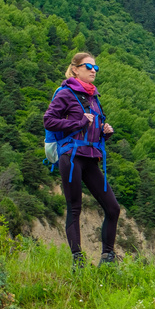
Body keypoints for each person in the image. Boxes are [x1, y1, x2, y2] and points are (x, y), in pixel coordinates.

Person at [43, 52, 120, 268]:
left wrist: (105, 132)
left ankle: (107, 258)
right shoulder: (66, 93)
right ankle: (78, 261)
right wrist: (77, 122)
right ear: (75, 69)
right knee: (75, 207)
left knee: (113, 208)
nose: (93, 70)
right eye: (88, 66)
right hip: (71, 157)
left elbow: (91, 129)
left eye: (95, 68)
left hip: (90, 158)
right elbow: (48, 121)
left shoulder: (93, 98)